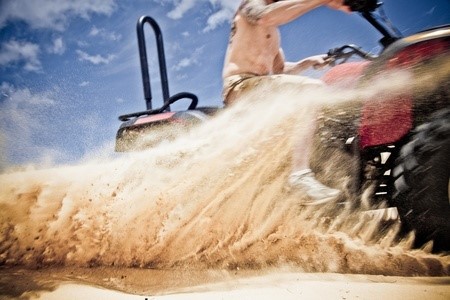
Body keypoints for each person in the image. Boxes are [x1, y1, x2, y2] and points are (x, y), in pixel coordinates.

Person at [222, 0, 351, 205]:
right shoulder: (250, 7)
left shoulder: (272, 34)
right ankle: (299, 176)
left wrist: (307, 62)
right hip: (242, 85)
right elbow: (266, 15)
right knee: (311, 90)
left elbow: (280, 70)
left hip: (260, 85)